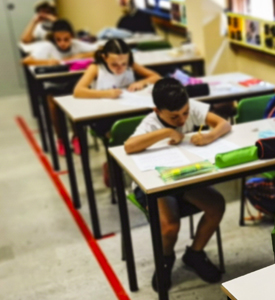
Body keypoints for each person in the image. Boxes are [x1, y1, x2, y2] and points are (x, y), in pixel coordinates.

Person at [124, 78, 230, 292]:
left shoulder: (191, 108)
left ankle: (195, 253)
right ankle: (165, 260)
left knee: (216, 204)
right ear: (157, 110)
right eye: (174, 117)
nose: (182, 119)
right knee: (170, 225)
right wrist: (166, 132)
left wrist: (210, 136)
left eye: (185, 112)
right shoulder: (150, 123)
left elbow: (224, 124)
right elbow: (128, 146)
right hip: (155, 184)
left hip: (186, 177)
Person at [73, 38, 161, 186]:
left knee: (148, 124)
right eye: (114, 64)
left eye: (124, 64)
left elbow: (155, 76)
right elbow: (78, 91)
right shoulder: (96, 68)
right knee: (118, 133)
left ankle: (140, 165)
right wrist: (106, 93)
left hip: (128, 108)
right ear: (104, 57)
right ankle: (112, 162)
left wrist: (140, 82)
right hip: (103, 115)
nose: (120, 68)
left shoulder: (131, 65)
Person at [23, 19, 97, 155]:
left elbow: (99, 50)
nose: (62, 43)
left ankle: (77, 137)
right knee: (53, 106)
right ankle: (61, 139)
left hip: (72, 84)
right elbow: (26, 61)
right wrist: (47, 61)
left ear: (72, 37)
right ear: (53, 38)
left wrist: (81, 55)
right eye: (58, 39)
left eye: (66, 39)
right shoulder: (47, 47)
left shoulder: (76, 45)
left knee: (75, 105)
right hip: (53, 85)